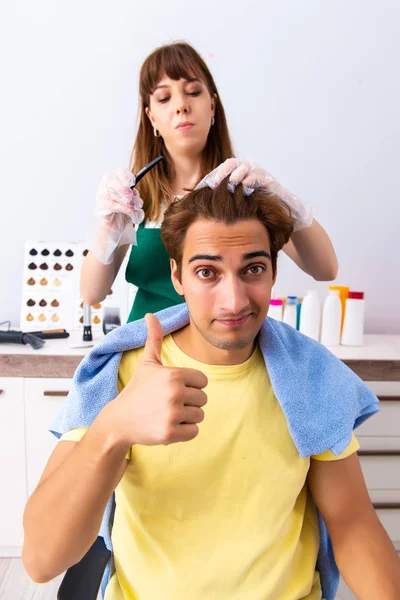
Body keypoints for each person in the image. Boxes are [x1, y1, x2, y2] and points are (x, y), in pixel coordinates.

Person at [23, 179, 399, 600]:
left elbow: (353, 523)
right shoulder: (122, 377)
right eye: (207, 272)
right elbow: (42, 560)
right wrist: (113, 428)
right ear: (177, 276)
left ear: (274, 270)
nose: (234, 300)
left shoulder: (311, 378)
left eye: (252, 269)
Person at [80, 41, 339, 323]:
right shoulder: (134, 198)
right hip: (147, 351)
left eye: (193, 92)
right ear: (151, 117)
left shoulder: (243, 190)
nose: (181, 105)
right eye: (164, 98)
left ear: (212, 104)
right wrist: (108, 226)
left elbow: (325, 270)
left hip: (223, 355)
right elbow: (92, 294)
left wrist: (287, 202)